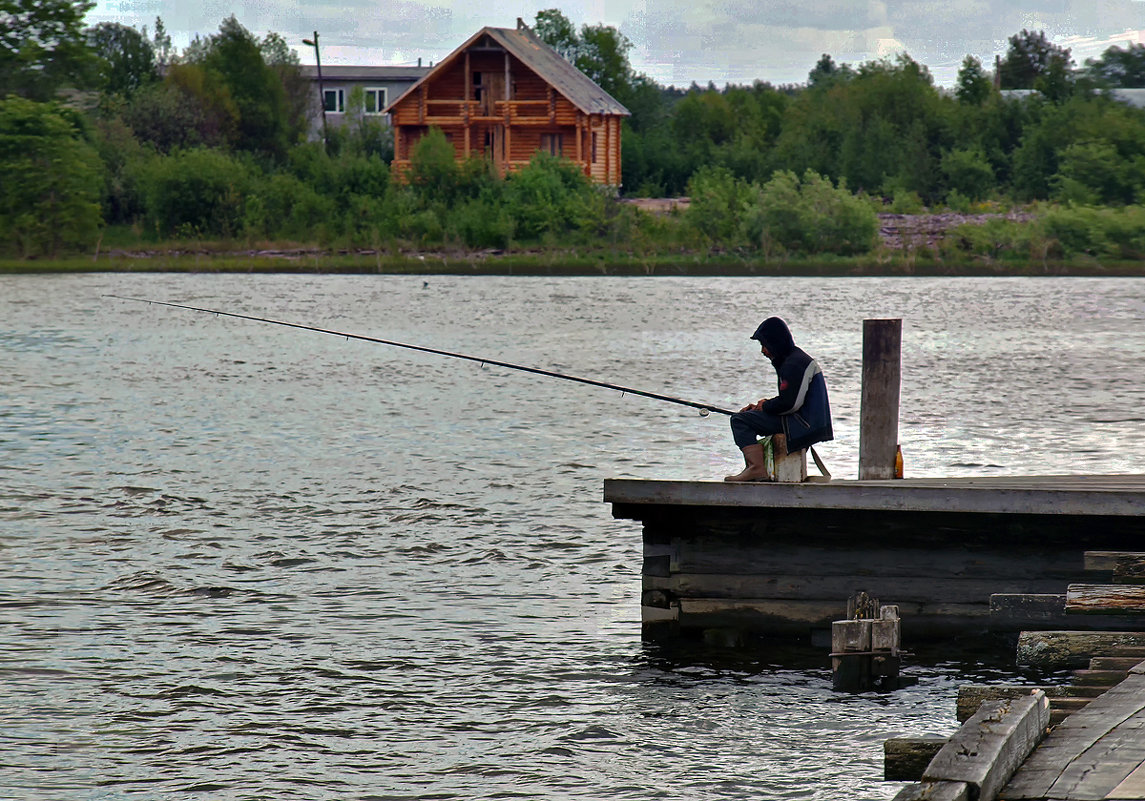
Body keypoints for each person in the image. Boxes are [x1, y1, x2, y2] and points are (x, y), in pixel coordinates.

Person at [725, 316, 833, 482]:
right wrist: (761, 407)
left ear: (775, 343)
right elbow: (792, 399)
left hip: (802, 424)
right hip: (805, 421)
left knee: (740, 420)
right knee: (748, 417)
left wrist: (766, 406)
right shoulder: (794, 359)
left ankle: (756, 469)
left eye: (764, 345)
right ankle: (756, 469)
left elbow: (790, 404)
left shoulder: (794, 364)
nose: (763, 351)